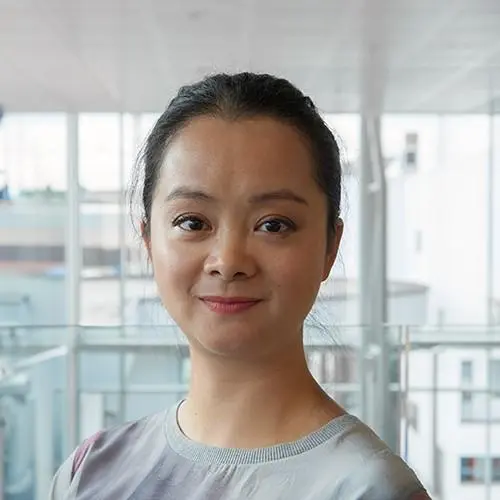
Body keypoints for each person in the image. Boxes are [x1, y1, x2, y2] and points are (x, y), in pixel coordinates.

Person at [50, 73, 430, 499]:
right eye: (192, 222)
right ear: (148, 242)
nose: (228, 261)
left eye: (273, 224)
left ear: (329, 246)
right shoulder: (90, 473)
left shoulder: (370, 489)